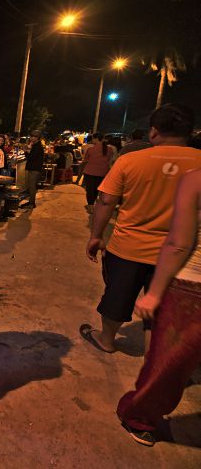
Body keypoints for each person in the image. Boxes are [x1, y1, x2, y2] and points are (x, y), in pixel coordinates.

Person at [81, 104, 201, 354]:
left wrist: (96, 236)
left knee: (117, 296)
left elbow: (106, 201)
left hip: (128, 247)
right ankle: (154, 357)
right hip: (182, 256)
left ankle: (106, 339)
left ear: (154, 132)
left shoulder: (130, 160)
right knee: (162, 310)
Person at [115, 168, 201, 446]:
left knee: (170, 360)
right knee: (170, 359)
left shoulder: (194, 177)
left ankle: (140, 415)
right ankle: (139, 415)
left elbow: (179, 242)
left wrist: (154, 293)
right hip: (192, 282)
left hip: (189, 282)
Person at [82, 133, 113, 213]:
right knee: (96, 189)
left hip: (90, 172)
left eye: (93, 138)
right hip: (102, 172)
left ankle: (91, 205)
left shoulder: (91, 149)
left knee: (90, 190)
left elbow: (85, 160)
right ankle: (93, 204)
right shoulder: (110, 149)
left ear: (95, 139)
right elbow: (109, 160)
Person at [25, 130, 44, 209]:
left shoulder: (38, 147)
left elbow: (30, 157)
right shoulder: (35, 145)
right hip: (33, 168)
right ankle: (30, 202)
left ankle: (32, 204)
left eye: (34, 137)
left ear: (37, 138)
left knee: (32, 186)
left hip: (34, 169)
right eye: (31, 136)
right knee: (31, 186)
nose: (31, 138)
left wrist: (26, 151)